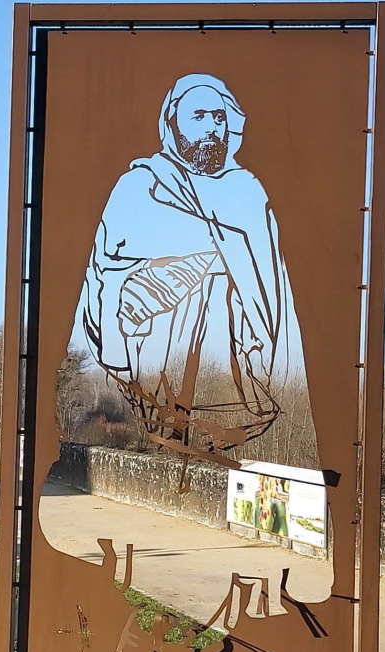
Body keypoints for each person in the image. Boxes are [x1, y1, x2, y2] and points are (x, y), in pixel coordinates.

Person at [76, 73, 292, 468]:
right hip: (156, 339)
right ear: (172, 123)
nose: (211, 126)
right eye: (199, 116)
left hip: (228, 349)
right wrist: (211, 248)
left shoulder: (248, 190)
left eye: (219, 116)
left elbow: (268, 275)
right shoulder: (142, 185)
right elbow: (109, 263)